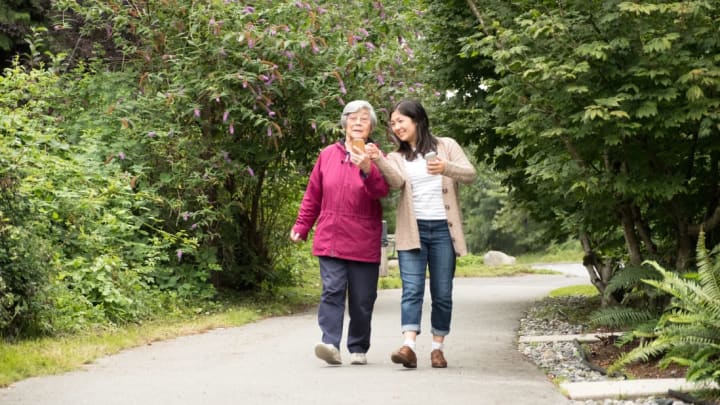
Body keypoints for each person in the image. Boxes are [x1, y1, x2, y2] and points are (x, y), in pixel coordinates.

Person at [366, 99, 476, 368]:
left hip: (443, 231)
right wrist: (378, 159)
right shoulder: (395, 157)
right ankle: (409, 346)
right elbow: (396, 182)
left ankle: (437, 348)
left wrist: (445, 167)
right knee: (412, 290)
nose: (396, 127)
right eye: (392, 124)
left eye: (401, 121)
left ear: (417, 120)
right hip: (411, 232)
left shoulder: (446, 146)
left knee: (442, 293)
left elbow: (471, 173)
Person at [290, 100, 389, 366]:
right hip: (331, 236)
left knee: (362, 299)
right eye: (353, 118)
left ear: (371, 127)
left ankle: (358, 347)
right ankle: (330, 344)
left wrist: (367, 166)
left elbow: (381, 192)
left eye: (364, 119)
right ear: (344, 123)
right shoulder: (327, 155)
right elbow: (313, 195)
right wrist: (302, 225)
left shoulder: (378, 157)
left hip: (364, 238)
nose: (358, 122)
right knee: (332, 291)